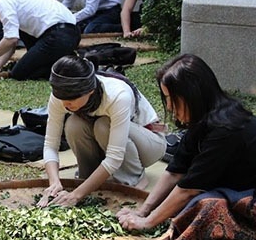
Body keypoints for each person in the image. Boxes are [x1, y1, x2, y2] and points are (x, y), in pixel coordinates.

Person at [117, 54, 256, 240]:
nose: (169, 107)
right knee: (182, 204)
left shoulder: (225, 128)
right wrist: (143, 211)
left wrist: (147, 223)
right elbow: (174, 173)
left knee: (201, 208)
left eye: (172, 99)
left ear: (192, 95)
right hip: (253, 198)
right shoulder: (201, 121)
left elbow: (189, 189)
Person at [37, 55, 166, 208]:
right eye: (61, 98)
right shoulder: (61, 96)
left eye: (71, 99)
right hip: (109, 141)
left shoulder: (118, 95)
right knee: (73, 123)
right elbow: (51, 144)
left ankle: (133, 177)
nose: (65, 104)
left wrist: (76, 195)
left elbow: (114, 157)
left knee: (103, 125)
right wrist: (54, 183)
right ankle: (88, 176)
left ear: (90, 91)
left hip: (150, 144)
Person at [0, 0, 80, 80]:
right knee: (22, 63)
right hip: (69, 33)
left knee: (18, 74)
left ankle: (71, 68)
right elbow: (10, 43)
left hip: (58, 35)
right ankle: (69, 61)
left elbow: (11, 39)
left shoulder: (4, 3)